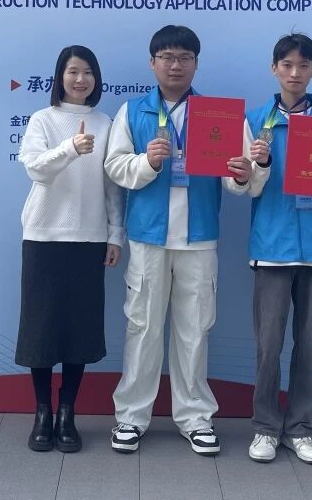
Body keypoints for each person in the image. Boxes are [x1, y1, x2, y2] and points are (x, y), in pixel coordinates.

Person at [104, 25, 249, 456]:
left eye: (184, 57)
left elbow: (236, 180)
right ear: (152, 63)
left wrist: (242, 173)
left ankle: (195, 418)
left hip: (199, 237)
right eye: (167, 57)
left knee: (194, 331)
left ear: (196, 64)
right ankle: (131, 417)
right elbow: (114, 167)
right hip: (148, 237)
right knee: (143, 328)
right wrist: (146, 163)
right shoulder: (133, 111)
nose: (175, 65)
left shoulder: (218, 115)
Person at [231, 33, 312, 465]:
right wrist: (258, 164)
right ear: (274, 69)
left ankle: (301, 429)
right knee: (268, 345)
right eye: (287, 65)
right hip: (272, 248)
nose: (295, 73)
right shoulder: (254, 121)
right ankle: (266, 427)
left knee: (309, 345)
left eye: (303, 65)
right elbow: (242, 187)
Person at [16, 45, 125, 453]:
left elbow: (112, 186)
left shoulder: (106, 122)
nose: (81, 79)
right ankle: (42, 412)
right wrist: (70, 148)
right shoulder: (42, 119)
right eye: (73, 71)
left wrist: (115, 235)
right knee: (41, 329)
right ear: (59, 76)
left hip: (89, 239)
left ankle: (67, 413)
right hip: (43, 237)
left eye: (88, 72)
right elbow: (36, 169)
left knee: (80, 329)